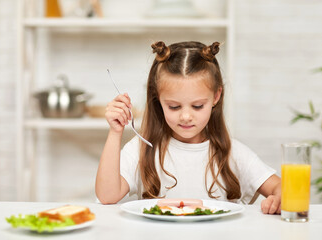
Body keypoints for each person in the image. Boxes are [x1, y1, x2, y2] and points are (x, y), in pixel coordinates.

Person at [95, 41, 281, 214]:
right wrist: (115, 132)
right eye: (174, 107)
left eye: (197, 106)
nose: (185, 116)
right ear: (157, 98)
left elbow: (280, 188)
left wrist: (279, 198)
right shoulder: (141, 149)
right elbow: (107, 196)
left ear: (216, 97)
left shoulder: (233, 153)